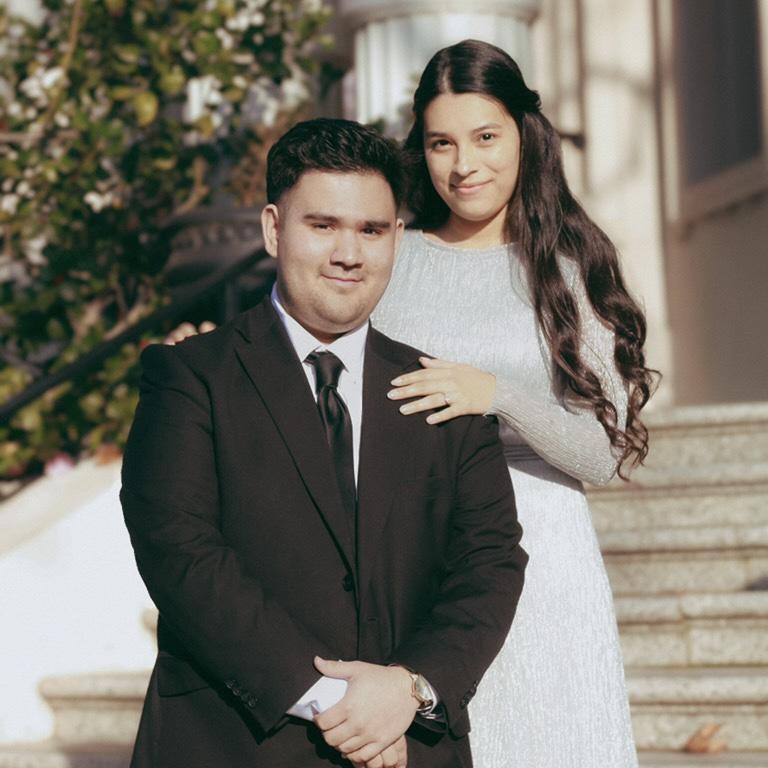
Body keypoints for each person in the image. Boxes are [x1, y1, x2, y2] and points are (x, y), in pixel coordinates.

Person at [121, 117, 527, 768]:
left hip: (409, 744)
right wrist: (337, 703)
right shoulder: (190, 377)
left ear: (397, 237)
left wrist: (410, 689)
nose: (348, 253)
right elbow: (181, 554)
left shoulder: (443, 392)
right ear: (273, 229)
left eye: (371, 230)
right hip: (236, 746)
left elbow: (491, 561)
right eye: (323, 225)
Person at [370, 40, 656, 767]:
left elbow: (601, 455)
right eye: (441, 142)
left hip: (545, 559)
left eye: (485, 137)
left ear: (525, 135)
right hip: (419, 553)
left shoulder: (569, 267)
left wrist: (495, 395)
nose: (463, 164)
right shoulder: (391, 260)